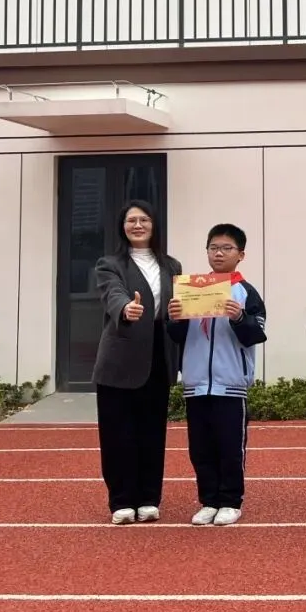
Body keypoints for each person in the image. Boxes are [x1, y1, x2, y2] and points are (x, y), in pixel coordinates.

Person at [167, 223, 267, 527]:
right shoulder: (191, 289)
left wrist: (239, 317)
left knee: (230, 447)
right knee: (200, 448)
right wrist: (175, 318)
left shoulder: (246, 292)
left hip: (230, 384)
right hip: (196, 383)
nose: (219, 253)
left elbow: (256, 334)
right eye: (213, 248)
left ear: (241, 254)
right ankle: (208, 500)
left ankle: (231, 501)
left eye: (226, 248)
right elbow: (177, 336)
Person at [93, 199, 182, 526]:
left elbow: (181, 304)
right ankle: (121, 500)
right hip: (120, 359)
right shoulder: (109, 264)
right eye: (131, 220)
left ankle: (148, 498)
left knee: (152, 431)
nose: (138, 225)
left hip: (159, 356)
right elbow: (112, 294)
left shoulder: (172, 266)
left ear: (154, 225)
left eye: (144, 219)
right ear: (123, 227)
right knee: (118, 433)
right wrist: (125, 309)